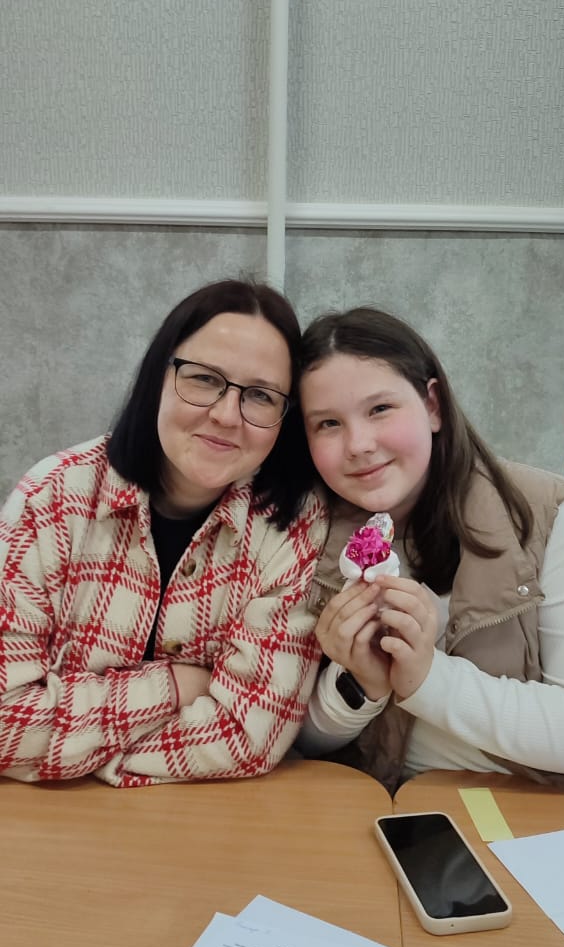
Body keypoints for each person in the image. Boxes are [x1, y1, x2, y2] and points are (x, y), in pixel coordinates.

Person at [0, 280, 328, 787]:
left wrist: (78, 751)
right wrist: (175, 686)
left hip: (206, 823)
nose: (225, 415)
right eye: (204, 379)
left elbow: (251, 737)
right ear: (159, 375)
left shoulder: (292, 522)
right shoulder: (53, 496)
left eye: (261, 396)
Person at [296, 307, 564, 792]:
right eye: (328, 423)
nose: (358, 444)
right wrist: (359, 685)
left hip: (517, 811)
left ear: (432, 405)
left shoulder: (546, 516)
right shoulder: (302, 533)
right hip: (368, 808)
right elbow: (294, 740)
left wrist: (426, 677)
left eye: (380, 409)